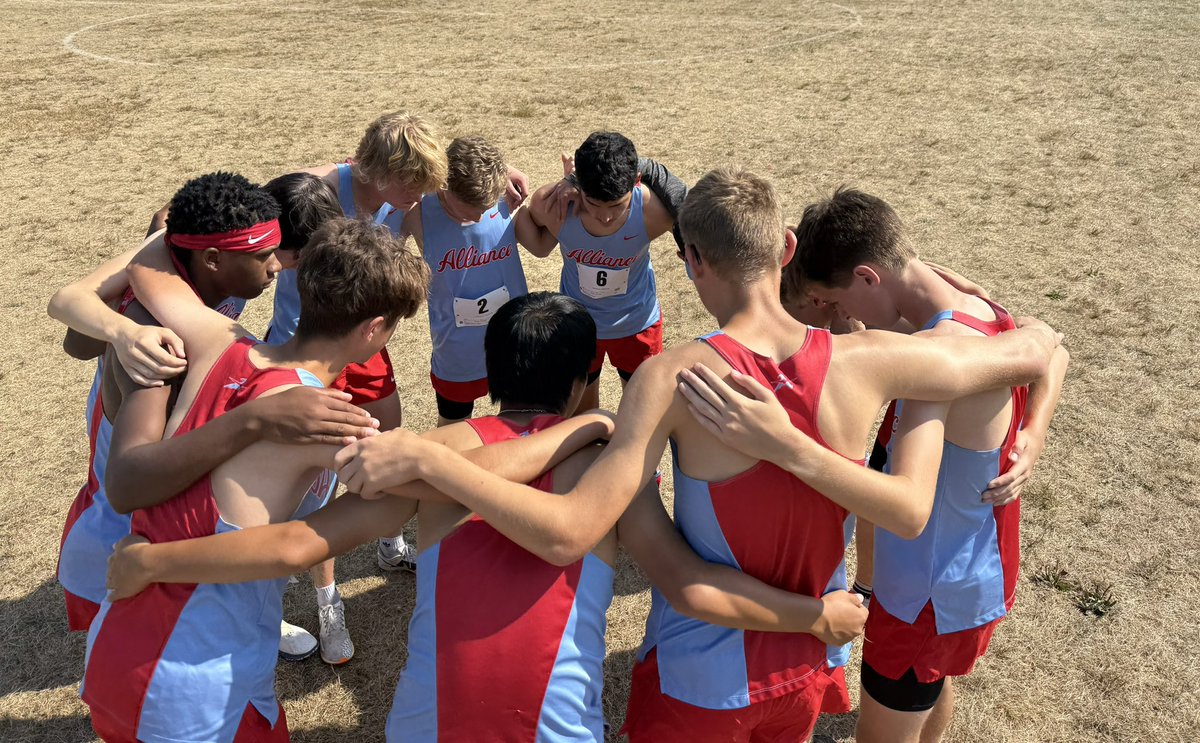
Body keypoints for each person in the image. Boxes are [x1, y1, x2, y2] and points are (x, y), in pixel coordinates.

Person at [332, 168, 1064, 740]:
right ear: (786, 249)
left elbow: (572, 529)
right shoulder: (873, 359)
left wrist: (439, 461)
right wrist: (1036, 339)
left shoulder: (670, 379)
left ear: (691, 260)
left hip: (701, 678)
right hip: (806, 671)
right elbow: (1021, 350)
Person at [107, 291, 869, 742]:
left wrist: (156, 561)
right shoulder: (608, 473)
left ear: (492, 374)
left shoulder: (430, 461)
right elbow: (691, 585)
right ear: (586, 380)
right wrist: (815, 616)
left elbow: (295, 545)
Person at [81, 216, 436, 742]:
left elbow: (148, 264)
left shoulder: (214, 338)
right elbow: (424, 485)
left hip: (118, 641)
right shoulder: (324, 420)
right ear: (374, 329)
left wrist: (183, 222)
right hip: (196, 683)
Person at [787, 187, 1070, 743]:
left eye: (840, 302)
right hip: (969, 572)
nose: (844, 318)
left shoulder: (936, 361)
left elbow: (905, 506)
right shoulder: (975, 308)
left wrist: (785, 448)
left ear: (868, 277)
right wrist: (1034, 430)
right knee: (930, 685)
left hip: (925, 595)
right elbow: (1051, 348)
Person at [45, 172, 374, 635]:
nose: (276, 268)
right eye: (266, 256)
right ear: (215, 259)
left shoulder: (201, 270)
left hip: (151, 527)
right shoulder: (159, 337)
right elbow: (131, 479)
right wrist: (123, 330)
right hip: (129, 541)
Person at [516, 132, 678, 412]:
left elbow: (692, 217)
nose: (605, 216)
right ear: (578, 185)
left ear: (636, 182)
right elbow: (538, 243)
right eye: (593, 204)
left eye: (617, 205)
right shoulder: (552, 205)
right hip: (578, 325)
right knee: (582, 413)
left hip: (637, 324)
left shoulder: (654, 212)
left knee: (642, 411)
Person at [404, 136, 529, 425]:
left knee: (519, 423)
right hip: (457, 349)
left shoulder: (501, 192)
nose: (481, 215)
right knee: (452, 427)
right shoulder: (417, 210)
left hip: (511, 339)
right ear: (444, 186)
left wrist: (506, 169)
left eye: (487, 206)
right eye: (472, 208)